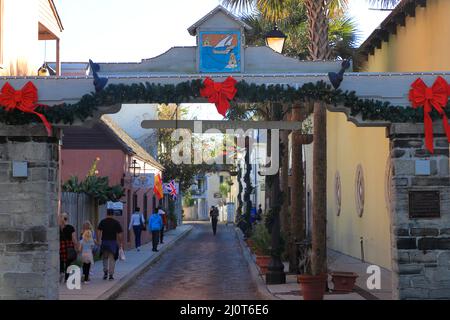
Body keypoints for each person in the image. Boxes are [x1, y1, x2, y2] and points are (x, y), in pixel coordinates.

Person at [97, 210, 124, 281]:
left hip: (104, 242)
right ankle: (111, 275)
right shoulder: (116, 223)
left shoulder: (102, 222)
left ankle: (105, 272)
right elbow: (120, 234)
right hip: (113, 242)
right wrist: (120, 243)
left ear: (107, 214)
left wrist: (99, 240)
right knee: (112, 259)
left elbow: (99, 231)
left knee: (105, 258)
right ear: (113, 215)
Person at [59, 212, 78, 283]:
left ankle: (61, 272)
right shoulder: (71, 227)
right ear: (67, 218)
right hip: (69, 246)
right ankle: (66, 277)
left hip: (61, 246)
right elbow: (74, 238)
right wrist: (76, 246)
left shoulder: (59, 228)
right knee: (68, 262)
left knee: (61, 260)